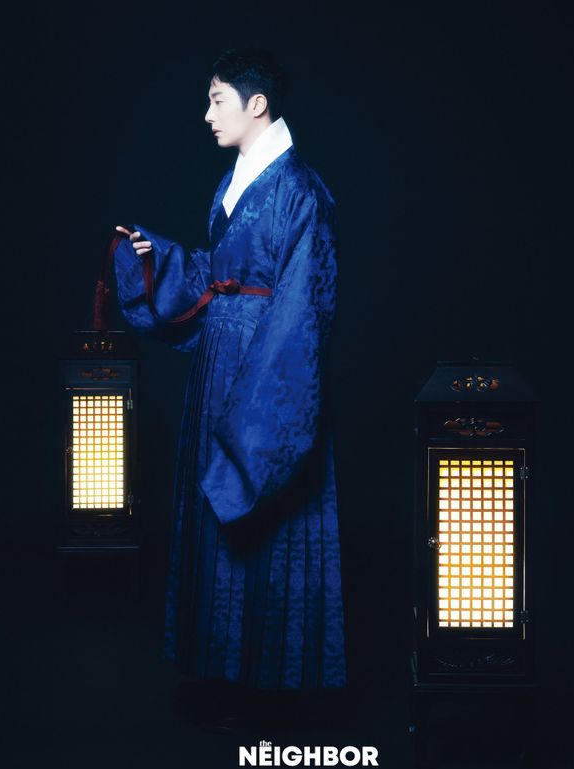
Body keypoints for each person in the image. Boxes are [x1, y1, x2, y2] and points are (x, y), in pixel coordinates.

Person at [114, 47, 346, 726]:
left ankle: (279, 686)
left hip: (266, 375)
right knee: (218, 524)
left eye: (217, 100)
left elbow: (303, 309)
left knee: (266, 505)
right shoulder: (237, 179)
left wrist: (260, 408)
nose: (207, 114)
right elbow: (219, 274)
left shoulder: (302, 192)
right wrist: (159, 258)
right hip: (220, 361)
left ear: (257, 104)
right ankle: (223, 673)